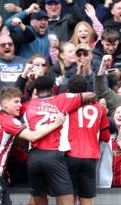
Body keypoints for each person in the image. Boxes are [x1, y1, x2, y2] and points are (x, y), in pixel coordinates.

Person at [0, 87, 66, 205]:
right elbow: (33, 136)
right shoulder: (10, 121)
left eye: (20, 101)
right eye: (16, 102)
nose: (20, 105)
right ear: (4, 103)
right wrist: (55, 124)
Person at [21, 75, 96, 205]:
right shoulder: (61, 99)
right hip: (53, 155)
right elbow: (90, 94)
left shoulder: (27, 105)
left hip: (33, 157)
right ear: (52, 89)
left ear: (36, 91)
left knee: (37, 199)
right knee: (66, 199)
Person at [66, 75, 111, 204]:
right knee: (86, 196)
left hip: (70, 154)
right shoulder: (99, 108)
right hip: (90, 156)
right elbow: (106, 137)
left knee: (69, 196)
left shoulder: (66, 106)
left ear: (69, 91)